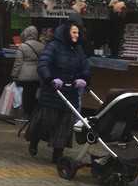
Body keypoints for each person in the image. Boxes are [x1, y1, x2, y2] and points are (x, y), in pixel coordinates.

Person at [25, 20, 91, 164]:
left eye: (78, 33)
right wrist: (51, 78)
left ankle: (58, 153)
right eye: (74, 32)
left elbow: (85, 66)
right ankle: (34, 141)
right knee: (45, 122)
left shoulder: (78, 50)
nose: (77, 35)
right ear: (67, 33)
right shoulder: (53, 47)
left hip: (70, 92)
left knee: (64, 125)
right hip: (54, 91)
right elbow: (43, 64)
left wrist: (83, 78)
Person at [10, 25, 44, 121]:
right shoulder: (42, 46)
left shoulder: (23, 46)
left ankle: (26, 114)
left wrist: (14, 75)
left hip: (25, 74)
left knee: (26, 94)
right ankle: (33, 113)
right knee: (33, 94)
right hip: (37, 74)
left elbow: (18, 62)